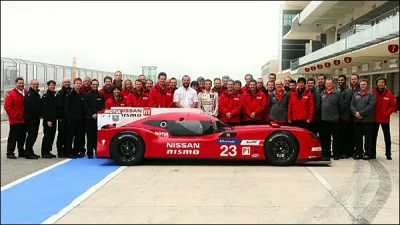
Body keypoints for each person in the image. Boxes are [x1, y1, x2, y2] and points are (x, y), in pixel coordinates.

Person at [350, 79, 377, 160]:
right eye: (361, 84)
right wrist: (356, 113)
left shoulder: (372, 95)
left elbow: (371, 106)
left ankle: (367, 153)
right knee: (358, 137)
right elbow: (351, 105)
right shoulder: (355, 95)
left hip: (368, 120)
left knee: (368, 137)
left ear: (367, 85)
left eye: (364, 84)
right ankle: (359, 152)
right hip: (357, 120)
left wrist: (361, 113)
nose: (362, 86)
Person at [371, 77, 396, 160]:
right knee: (373, 136)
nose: (381, 84)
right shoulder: (373, 93)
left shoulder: (389, 94)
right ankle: (373, 153)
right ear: (376, 83)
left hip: (385, 119)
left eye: (382, 82)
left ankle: (388, 154)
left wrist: (387, 113)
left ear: (385, 84)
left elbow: (393, 106)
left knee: (387, 137)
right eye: (379, 82)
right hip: (375, 118)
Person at [320, 79, 344, 160]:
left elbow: (341, 107)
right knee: (325, 138)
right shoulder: (322, 93)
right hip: (324, 120)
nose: (328, 85)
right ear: (325, 84)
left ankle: (336, 154)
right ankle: (326, 153)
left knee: (336, 138)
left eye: (330, 83)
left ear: (333, 84)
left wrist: (337, 116)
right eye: (327, 83)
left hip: (334, 120)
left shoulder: (338, 94)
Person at [4, 77, 28, 159]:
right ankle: (10, 152)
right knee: (13, 137)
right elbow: (7, 107)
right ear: (16, 84)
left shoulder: (26, 92)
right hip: (15, 120)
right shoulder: (11, 94)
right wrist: (15, 115)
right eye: (19, 83)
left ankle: (21, 151)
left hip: (24, 119)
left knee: (22, 136)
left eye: (22, 83)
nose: (21, 84)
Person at [65, 77, 86, 158]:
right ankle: (69, 152)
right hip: (71, 119)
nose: (78, 85)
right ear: (74, 84)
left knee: (78, 137)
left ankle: (76, 151)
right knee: (70, 137)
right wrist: (69, 118)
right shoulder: (70, 94)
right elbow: (66, 107)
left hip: (80, 119)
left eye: (80, 83)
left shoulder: (83, 94)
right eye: (77, 83)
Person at [83, 79, 105, 158]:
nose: (95, 86)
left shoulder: (101, 95)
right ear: (91, 85)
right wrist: (92, 114)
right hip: (89, 119)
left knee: (97, 136)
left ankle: (97, 151)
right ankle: (89, 153)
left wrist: (98, 114)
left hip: (98, 119)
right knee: (89, 136)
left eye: (96, 84)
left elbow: (102, 106)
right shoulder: (87, 95)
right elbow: (86, 107)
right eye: (93, 84)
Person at [24, 79, 43, 159]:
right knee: (31, 136)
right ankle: (28, 153)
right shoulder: (29, 94)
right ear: (30, 85)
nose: (36, 85)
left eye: (37, 84)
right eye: (34, 84)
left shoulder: (36, 94)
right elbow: (32, 108)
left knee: (34, 136)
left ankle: (30, 151)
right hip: (31, 119)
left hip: (35, 119)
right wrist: (39, 114)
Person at [337, 75, 353, 158]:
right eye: (339, 80)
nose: (340, 81)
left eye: (342, 80)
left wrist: (337, 113)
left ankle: (345, 153)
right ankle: (342, 151)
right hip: (341, 117)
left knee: (345, 136)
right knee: (341, 135)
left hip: (345, 117)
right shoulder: (341, 90)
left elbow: (345, 105)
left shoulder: (347, 91)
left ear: (345, 81)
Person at [56, 77, 72, 158]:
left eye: (68, 82)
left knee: (69, 136)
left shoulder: (71, 91)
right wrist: (61, 117)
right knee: (61, 135)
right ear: (62, 83)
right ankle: (60, 152)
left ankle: (68, 151)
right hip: (62, 118)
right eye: (65, 82)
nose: (67, 83)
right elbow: (59, 107)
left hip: (70, 118)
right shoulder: (60, 93)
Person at [41, 80, 58, 158]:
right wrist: (48, 120)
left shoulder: (53, 95)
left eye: (53, 85)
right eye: (51, 85)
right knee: (47, 136)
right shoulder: (46, 96)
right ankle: (44, 152)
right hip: (48, 120)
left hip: (53, 119)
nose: (52, 87)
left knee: (51, 136)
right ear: (48, 86)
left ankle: (48, 151)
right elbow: (44, 109)